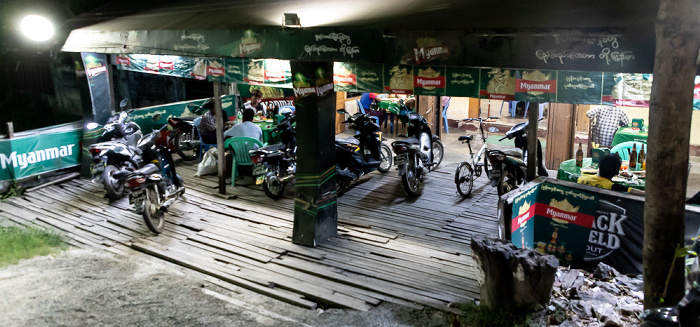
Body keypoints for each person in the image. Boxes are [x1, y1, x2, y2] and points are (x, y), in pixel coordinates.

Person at [577, 154, 645, 195]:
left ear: (598, 166)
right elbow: (632, 191)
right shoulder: (612, 187)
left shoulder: (581, 179)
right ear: (617, 173)